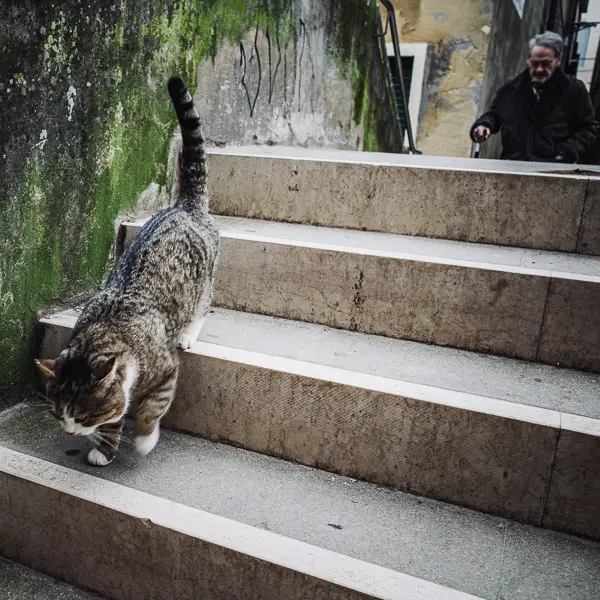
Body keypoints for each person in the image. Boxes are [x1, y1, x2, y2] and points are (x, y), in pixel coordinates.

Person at [470, 31, 598, 163]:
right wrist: (484, 126)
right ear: (528, 60)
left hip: (553, 170)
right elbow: (495, 115)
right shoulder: (512, 88)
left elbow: (588, 128)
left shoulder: (574, 89)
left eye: (546, 64)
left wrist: (567, 151)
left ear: (558, 61)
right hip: (514, 167)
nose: (539, 69)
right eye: (535, 63)